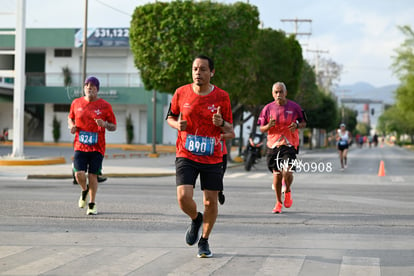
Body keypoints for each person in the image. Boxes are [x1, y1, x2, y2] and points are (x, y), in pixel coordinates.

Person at [166, 55, 234, 258]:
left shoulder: (222, 96)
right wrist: (177, 125)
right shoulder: (181, 93)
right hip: (186, 152)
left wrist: (221, 122)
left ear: (211, 72)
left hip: (212, 156)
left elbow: (230, 127)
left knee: (210, 202)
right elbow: (170, 116)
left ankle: (204, 241)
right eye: (195, 68)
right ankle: (196, 219)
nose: (198, 72)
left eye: (203, 69)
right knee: (183, 197)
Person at [68, 76, 117, 215]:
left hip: (97, 147)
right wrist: (72, 126)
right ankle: (84, 190)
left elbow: (114, 126)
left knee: (93, 175)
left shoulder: (105, 106)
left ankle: (92, 203)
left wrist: (105, 124)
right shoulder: (76, 103)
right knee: (79, 174)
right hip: (80, 145)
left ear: (97, 90)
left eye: (93, 86)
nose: (89, 88)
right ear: (84, 88)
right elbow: (70, 118)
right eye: (87, 86)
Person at [258, 82, 306, 214]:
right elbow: (261, 128)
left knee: (287, 171)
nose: (278, 94)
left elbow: (303, 122)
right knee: (277, 176)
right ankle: (278, 202)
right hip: (273, 145)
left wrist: (296, 125)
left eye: (281, 92)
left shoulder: (295, 107)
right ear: (272, 94)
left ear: (286, 93)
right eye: (276, 92)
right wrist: (268, 126)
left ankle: (288, 190)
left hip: (289, 144)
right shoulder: (267, 109)